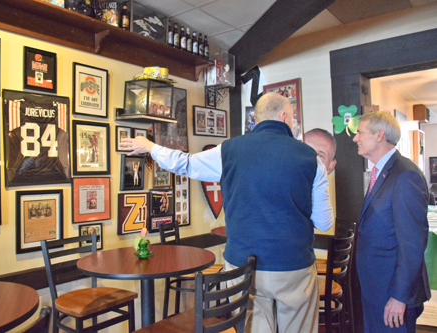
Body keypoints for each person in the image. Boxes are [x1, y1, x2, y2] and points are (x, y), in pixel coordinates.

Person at [120, 92, 334, 333]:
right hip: (293, 265)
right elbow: (324, 223)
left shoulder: (230, 150)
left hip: (242, 264)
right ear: (284, 116)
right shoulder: (311, 159)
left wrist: (150, 147)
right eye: (292, 118)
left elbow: (185, 163)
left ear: (257, 118)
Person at [353, 111, 430, 332]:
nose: (355, 138)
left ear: (379, 135)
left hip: (393, 293)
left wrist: (399, 296)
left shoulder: (405, 175)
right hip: (376, 288)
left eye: (360, 133)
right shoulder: (382, 171)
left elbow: (412, 243)